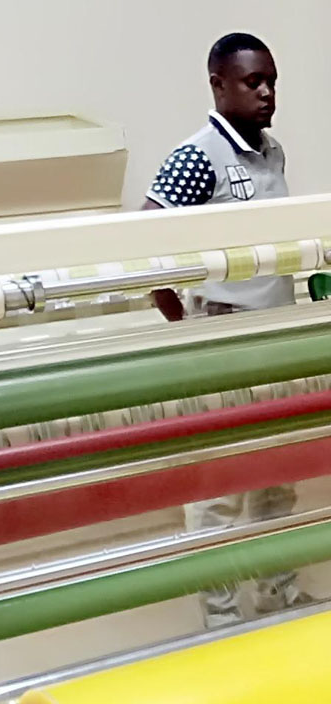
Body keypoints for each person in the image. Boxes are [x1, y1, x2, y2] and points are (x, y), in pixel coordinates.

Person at [143, 32, 311, 627]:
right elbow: (147, 240)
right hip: (224, 337)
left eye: (271, 81)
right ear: (218, 84)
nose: (267, 93)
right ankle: (220, 617)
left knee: (277, 475)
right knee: (219, 485)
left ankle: (277, 593)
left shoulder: (273, 152)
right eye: (252, 82)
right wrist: (184, 319)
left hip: (275, 335)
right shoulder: (197, 156)